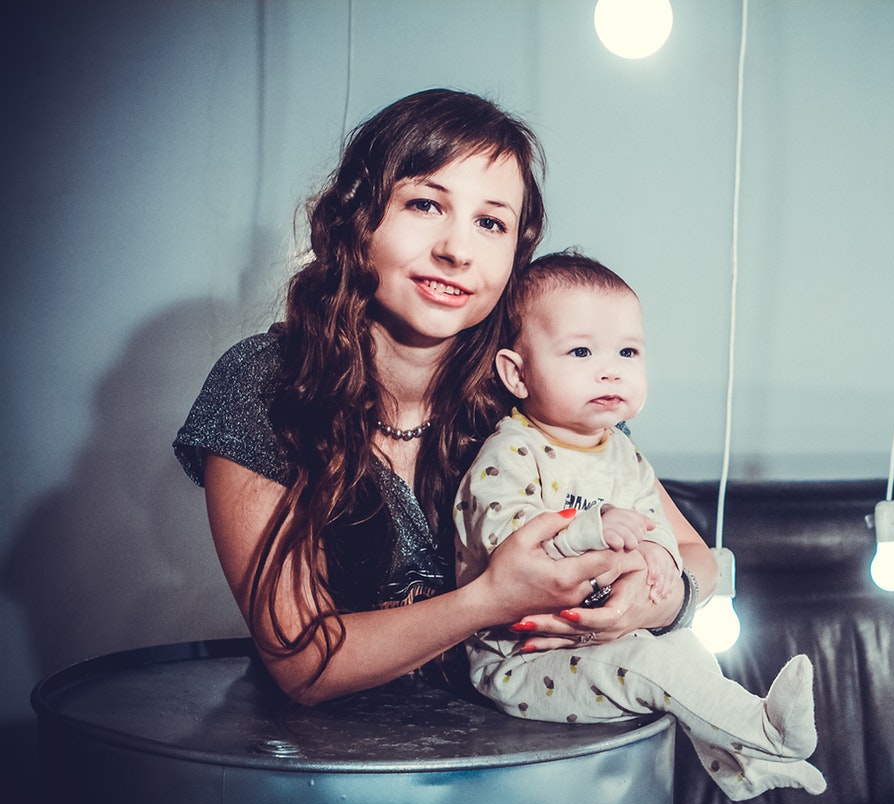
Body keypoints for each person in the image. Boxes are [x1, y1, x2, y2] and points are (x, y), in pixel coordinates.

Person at [173, 89, 716, 706]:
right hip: (332, 775)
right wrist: (489, 600)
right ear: (358, 218)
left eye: (491, 223)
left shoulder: (538, 381)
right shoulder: (264, 383)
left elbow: (698, 555)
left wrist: (661, 595)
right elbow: (304, 664)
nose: (458, 251)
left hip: (531, 757)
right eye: (426, 204)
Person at [453, 251, 826, 801]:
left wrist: (657, 562)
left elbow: (659, 534)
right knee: (651, 664)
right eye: (580, 351)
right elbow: (504, 536)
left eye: (628, 351)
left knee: (687, 653)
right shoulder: (512, 450)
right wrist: (592, 528)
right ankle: (767, 734)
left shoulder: (622, 456)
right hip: (522, 662)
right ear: (518, 373)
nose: (611, 369)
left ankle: (749, 763)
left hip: (603, 636)